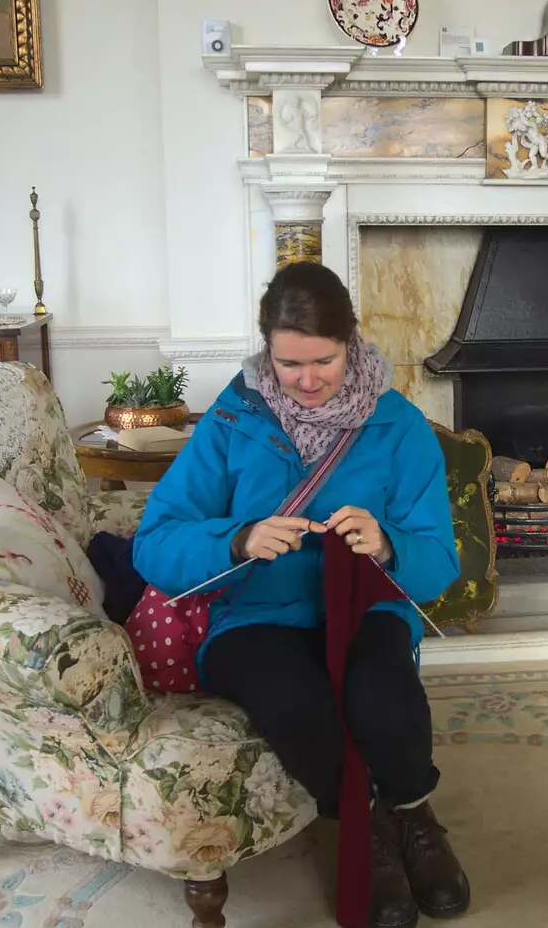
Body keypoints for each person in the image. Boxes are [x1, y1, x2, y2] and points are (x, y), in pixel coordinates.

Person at [132, 261, 470, 928]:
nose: (308, 379)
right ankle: (366, 826)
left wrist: (388, 543)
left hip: (364, 608)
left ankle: (413, 810)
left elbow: (439, 565)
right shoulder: (232, 417)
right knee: (298, 703)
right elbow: (155, 540)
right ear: (266, 350)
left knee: (383, 691)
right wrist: (238, 539)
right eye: (289, 364)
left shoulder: (399, 426)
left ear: (353, 342)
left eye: (324, 360)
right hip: (252, 614)